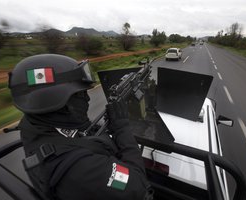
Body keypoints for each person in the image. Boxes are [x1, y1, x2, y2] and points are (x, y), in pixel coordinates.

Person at [8, 54, 152, 200]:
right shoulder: (83, 169)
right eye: (81, 94)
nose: (88, 99)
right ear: (58, 102)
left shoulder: (35, 125)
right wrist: (122, 128)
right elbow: (138, 186)